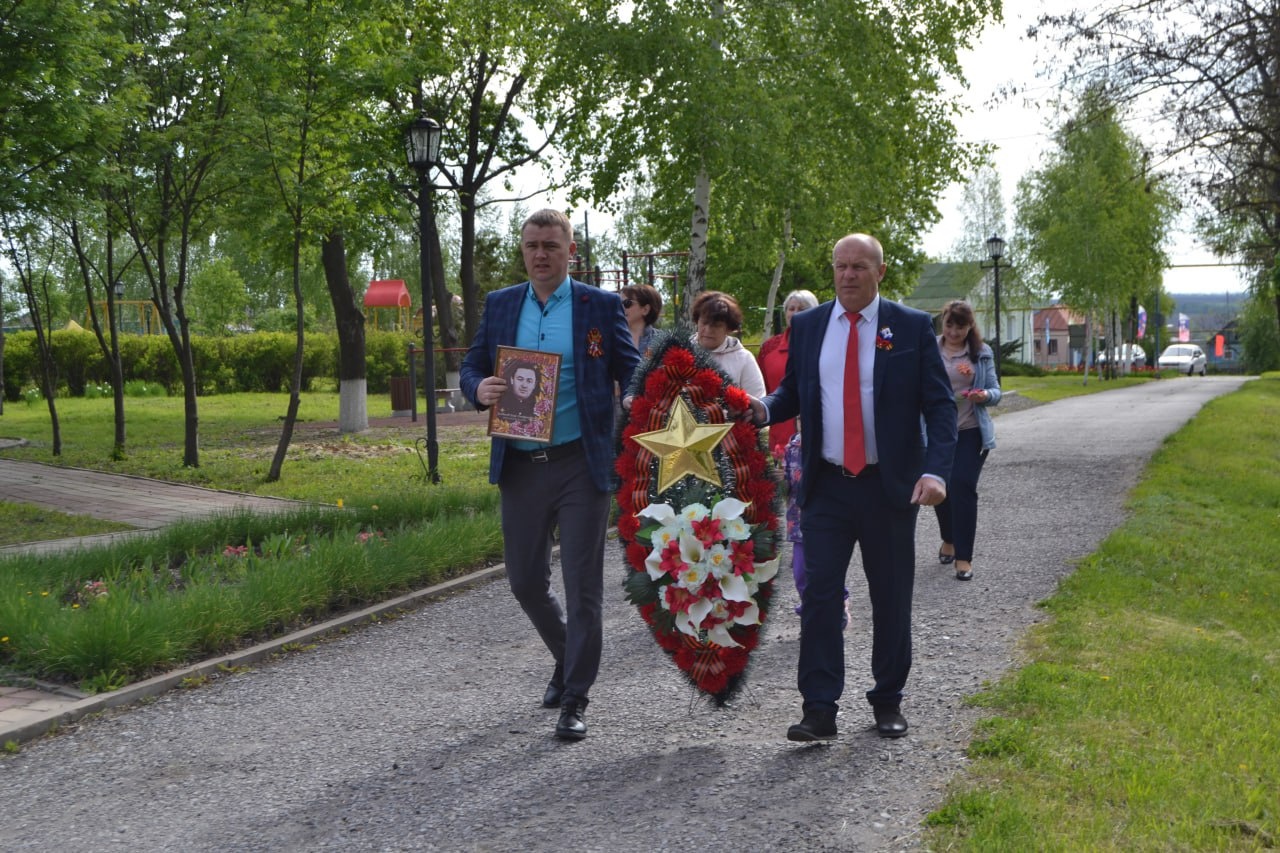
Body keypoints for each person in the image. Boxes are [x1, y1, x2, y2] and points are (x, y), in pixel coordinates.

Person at [749, 232, 957, 741]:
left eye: (859, 266)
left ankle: (888, 700)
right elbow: (795, 391)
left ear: (879, 272)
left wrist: (935, 471)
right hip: (827, 485)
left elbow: (941, 406)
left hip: (890, 487)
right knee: (819, 597)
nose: (847, 275)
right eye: (840, 266)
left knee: (890, 597)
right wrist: (763, 409)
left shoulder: (907, 327)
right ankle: (819, 709)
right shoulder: (810, 324)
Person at [461, 208, 640, 741]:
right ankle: (568, 657)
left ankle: (576, 697)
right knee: (524, 582)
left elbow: (629, 366)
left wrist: (633, 394)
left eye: (551, 246)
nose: (541, 254)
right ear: (524, 250)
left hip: (578, 463)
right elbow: (473, 364)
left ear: (571, 252)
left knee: (582, 586)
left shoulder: (598, 306)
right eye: (532, 245)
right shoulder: (501, 305)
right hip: (519, 462)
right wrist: (478, 389)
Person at [932, 300, 1001, 581]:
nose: (954, 331)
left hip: (971, 430)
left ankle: (963, 557)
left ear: (970, 326)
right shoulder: (931, 349)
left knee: (962, 486)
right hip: (937, 432)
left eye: (960, 326)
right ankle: (948, 538)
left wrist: (984, 396)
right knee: (939, 488)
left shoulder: (981, 353)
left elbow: (996, 391)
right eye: (949, 324)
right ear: (943, 322)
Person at [757, 289, 820, 456]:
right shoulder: (769, 349)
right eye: (791, 309)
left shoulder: (825, 345)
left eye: (803, 309)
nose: (796, 313)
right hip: (778, 437)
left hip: (815, 436)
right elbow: (763, 391)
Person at [690, 290, 766, 397]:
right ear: (697, 321)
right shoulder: (680, 352)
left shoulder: (744, 359)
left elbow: (757, 401)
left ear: (729, 328)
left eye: (716, 325)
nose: (708, 330)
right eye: (704, 323)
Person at [620, 283, 663, 356]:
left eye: (627, 303)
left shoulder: (663, 341)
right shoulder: (611, 338)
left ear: (645, 309)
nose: (621, 308)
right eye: (618, 303)